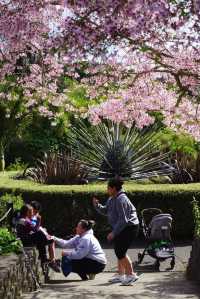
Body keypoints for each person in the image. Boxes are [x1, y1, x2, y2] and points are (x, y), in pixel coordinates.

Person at [93, 177, 139, 285]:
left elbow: (124, 219)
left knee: (120, 251)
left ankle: (131, 274)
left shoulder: (121, 199)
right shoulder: (112, 198)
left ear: (114, 188)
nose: (107, 190)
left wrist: (113, 233)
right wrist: (97, 205)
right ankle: (120, 274)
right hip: (123, 227)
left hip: (130, 227)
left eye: (108, 188)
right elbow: (106, 210)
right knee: (119, 250)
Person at [17, 204, 60, 272]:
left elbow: (33, 229)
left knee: (40, 238)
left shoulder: (25, 219)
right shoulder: (23, 220)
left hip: (27, 238)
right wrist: (38, 220)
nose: (32, 214)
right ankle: (44, 257)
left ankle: (44, 258)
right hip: (25, 241)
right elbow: (34, 229)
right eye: (30, 212)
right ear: (26, 212)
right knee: (40, 235)